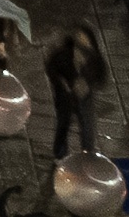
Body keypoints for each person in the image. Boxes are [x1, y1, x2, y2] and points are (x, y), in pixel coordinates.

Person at [45, 24, 109, 157]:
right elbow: (52, 68)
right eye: (79, 37)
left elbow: (102, 77)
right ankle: (60, 154)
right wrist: (61, 83)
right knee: (63, 124)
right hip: (65, 95)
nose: (82, 41)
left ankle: (87, 154)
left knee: (87, 127)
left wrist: (89, 84)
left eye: (84, 38)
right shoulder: (64, 53)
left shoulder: (94, 58)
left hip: (85, 96)